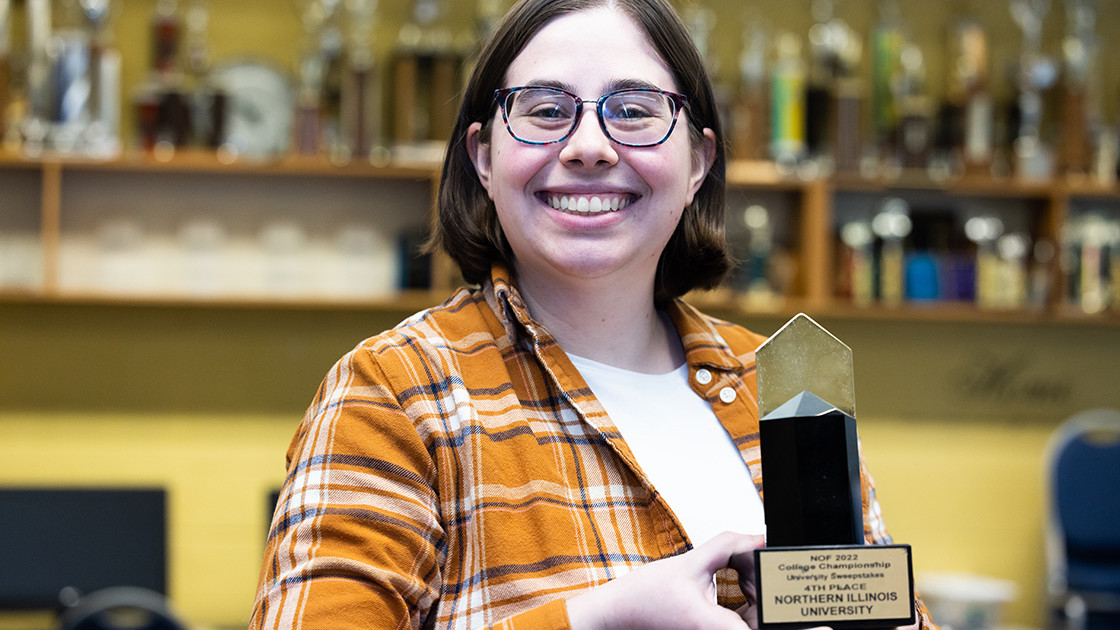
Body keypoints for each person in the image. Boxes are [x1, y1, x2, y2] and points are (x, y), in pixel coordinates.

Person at [249, 0, 937, 628]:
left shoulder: (786, 380)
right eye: (546, 110)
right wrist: (598, 620)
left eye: (634, 110)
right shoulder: (393, 393)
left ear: (698, 160)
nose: (589, 145)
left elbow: (877, 608)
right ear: (483, 157)